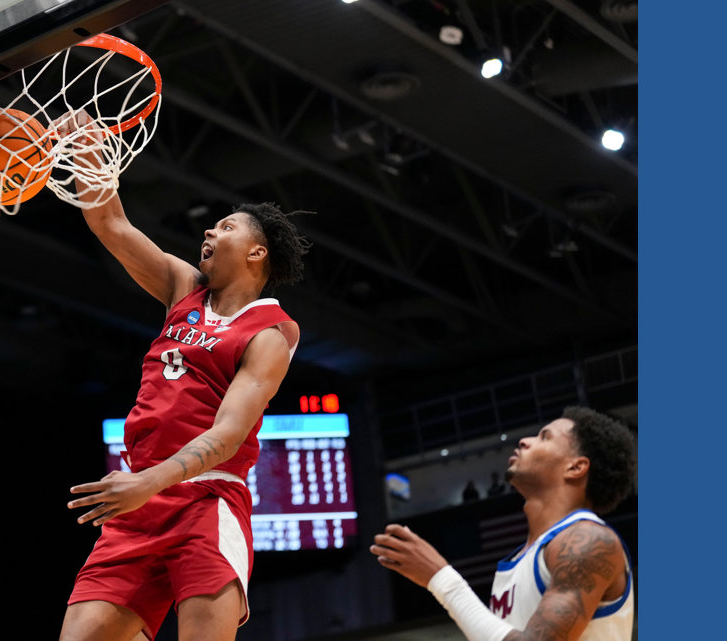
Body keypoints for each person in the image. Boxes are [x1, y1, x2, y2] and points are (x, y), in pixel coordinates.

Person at [54, 111, 311, 641]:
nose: (210, 230)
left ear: (256, 253)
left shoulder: (271, 333)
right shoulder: (182, 286)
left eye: (227, 226)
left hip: (206, 499)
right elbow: (111, 223)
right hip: (138, 498)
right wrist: (86, 150)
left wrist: (150, 482)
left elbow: (226, 435)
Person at [370, 406, 636, 641]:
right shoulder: (524, 557)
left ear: (575, 467)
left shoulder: (587, 540)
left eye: (545, 437)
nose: (524, 441)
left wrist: (441, 579)